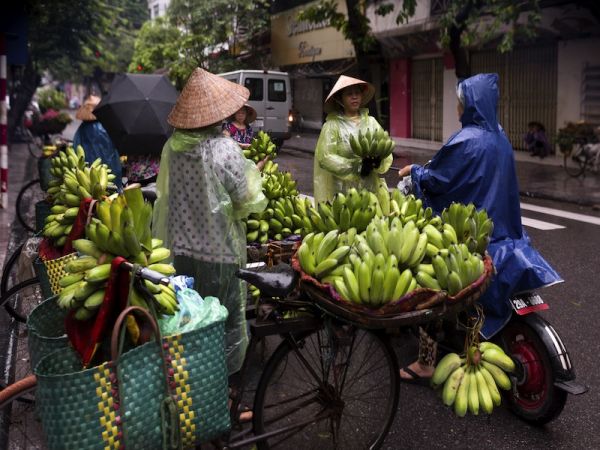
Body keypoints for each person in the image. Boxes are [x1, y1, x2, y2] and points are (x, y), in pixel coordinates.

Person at [397, 73, 562, 383]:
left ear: (470, 105)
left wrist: (414, 171)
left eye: (461, 103)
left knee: (429, 287)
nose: (458, 108)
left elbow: (437, 180)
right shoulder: (500, 138)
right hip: (506, 235)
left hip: (472, 238)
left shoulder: (466, 140)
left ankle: (425, 363)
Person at [153, 68, 267, 378]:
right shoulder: (224, 148)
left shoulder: (173, 148)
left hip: (181, 250)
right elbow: (245, 199)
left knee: (191, 316)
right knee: (225, 319)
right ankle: (222, 381)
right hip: (219, 253)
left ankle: (192, 378)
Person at [313, 75, 393, 204]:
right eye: (349, 94)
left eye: (357, 93)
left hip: (370, 191)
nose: (354, 97)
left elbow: (385, 149)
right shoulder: (332, 126)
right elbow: (325, 157)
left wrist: (378, 161)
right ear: (340, 99)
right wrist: (356, 166)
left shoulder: (371, 123)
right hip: (342, 194)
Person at [73, 95, 123, 189]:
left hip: (88, 169)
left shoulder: (82, 128)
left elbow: (76, 147)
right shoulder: (106, 127)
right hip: (110, 166)